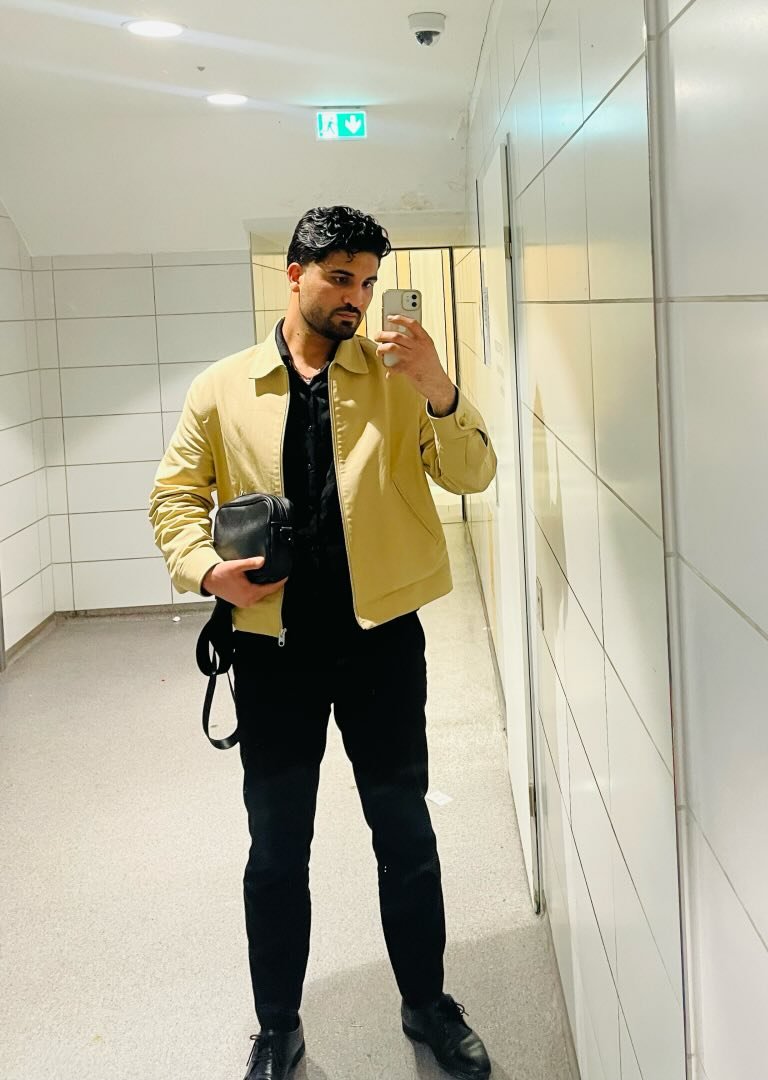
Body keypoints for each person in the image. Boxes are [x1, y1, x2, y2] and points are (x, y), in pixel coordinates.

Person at [149, 206, 497, 1080]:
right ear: (295, 274)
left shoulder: (398, 379)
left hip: (381, 643)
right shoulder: (221, 388)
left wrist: (439, 385)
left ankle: (426, 1004)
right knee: (276, 848)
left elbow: (473, 472)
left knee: (404, 832)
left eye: (368, 283)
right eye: (341, 279)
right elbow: (173, 500)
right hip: (272, 651)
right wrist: (207, 571)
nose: (357, 298)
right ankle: (278, 1028)